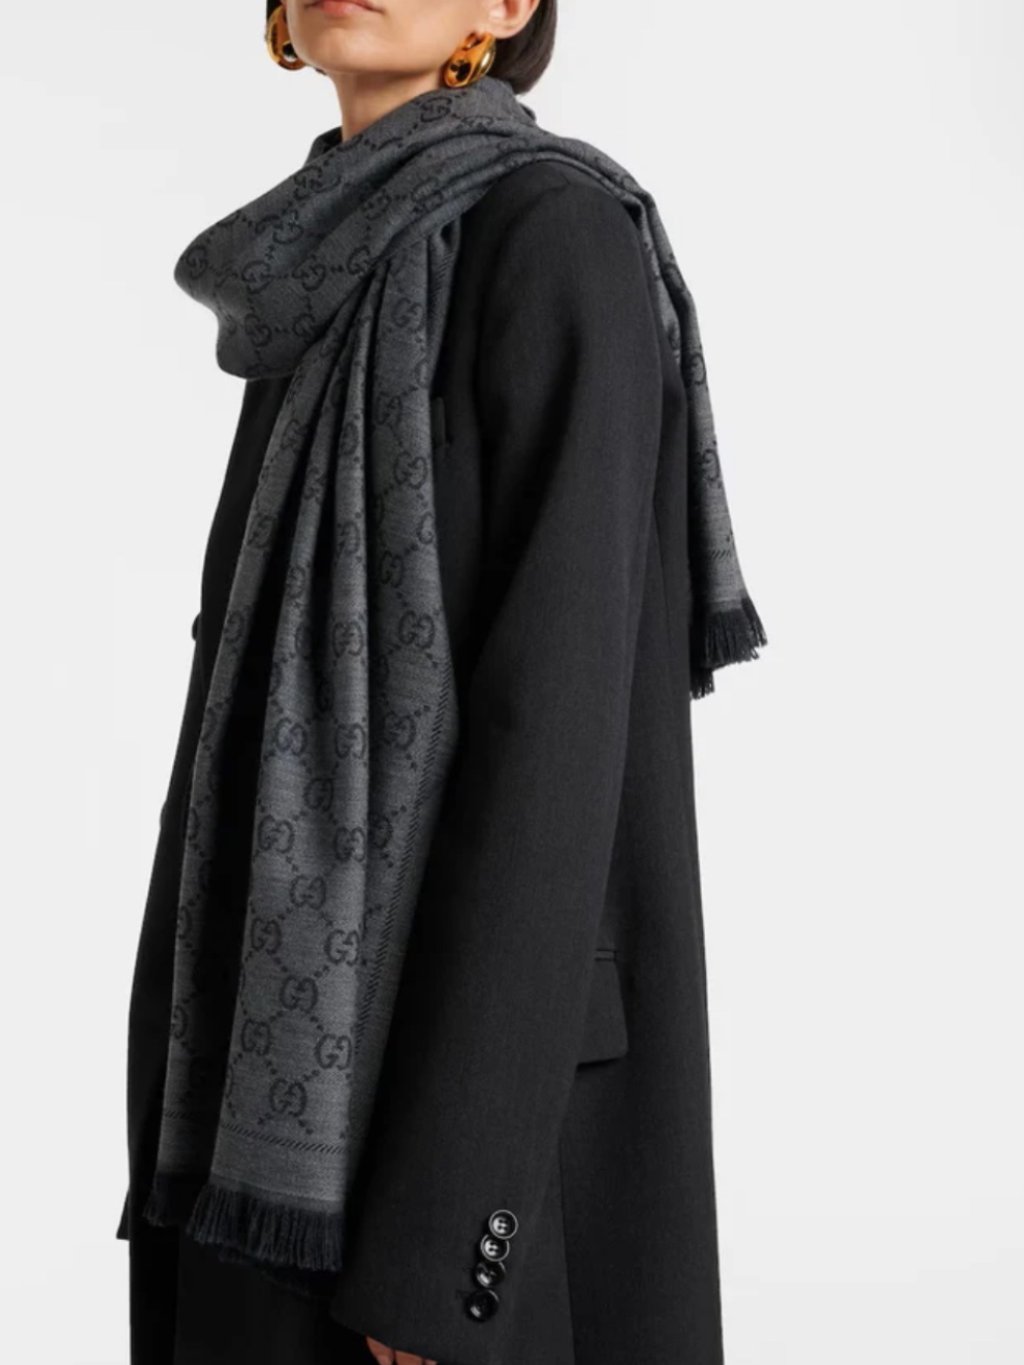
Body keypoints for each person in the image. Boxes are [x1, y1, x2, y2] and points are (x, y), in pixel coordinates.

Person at [115, 3, 768, 1363]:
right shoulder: (321, 266)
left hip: (459, 1134)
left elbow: (557, 750)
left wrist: (439, 1234)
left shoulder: (556, 238)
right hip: (258, 1091)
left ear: (507, 7)